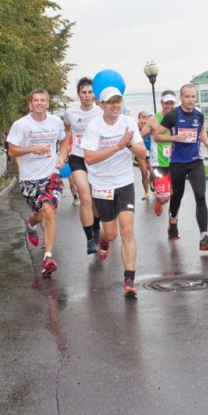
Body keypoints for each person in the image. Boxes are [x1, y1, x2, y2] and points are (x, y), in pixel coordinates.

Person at [81, 85, 148, 296]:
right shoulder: (94, 127)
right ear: (101, 105)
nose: (115, 105)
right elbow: (89, 158)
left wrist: (128, 145)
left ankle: (129, 279)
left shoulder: (128, 123)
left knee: (127, 230)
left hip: (125, 182)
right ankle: (102, 238)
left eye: (118, 101)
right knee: (111, 234)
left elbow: (143, 152)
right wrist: (117, 147)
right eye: (110, 102)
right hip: (102, 185)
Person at [7, 88, 69, 277]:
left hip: (51, 175)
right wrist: (31, 148)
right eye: (36, 100)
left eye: (43, 100)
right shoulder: (21, 125)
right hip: (29, 178)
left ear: (48, 104)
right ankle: (30, 223)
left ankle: (48, 257)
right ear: (30, 104)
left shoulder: (56, 122)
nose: (39, 103)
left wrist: (61, 155)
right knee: (40, 214)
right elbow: (12, 151)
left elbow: (65, 139)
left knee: (49, 211)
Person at [152, 83, 208, 250]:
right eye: (187, 96)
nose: (190, 100)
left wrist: (207, 143)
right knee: (177, 196)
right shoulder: (173, 115)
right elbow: (157, 137)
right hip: (177, 163)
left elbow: (201, 131)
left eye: (193, 96)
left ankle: (204, 236)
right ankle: (173, 221)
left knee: (200, 195)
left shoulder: (199, 115)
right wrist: (175, 138)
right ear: (181, 98)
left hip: (195, 161)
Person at [63, 77, 103, 254]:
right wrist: (63, 151)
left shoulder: (101, 111)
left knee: (97, 200)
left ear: (94, 94)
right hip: (78, 158)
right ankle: (89, 240)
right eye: (83, 92)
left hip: (96, 159)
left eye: (90, 92)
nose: (87, 96)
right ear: (78, 94)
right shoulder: (71, 113)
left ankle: (96, 229)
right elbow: (66, 130)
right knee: (85, 198)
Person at [148, 90, 178, 216]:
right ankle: (159, 202)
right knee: (163, 198)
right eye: (166, 103)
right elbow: (140, 136)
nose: (169, 106)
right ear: (161, 103)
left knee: (174, 193)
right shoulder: (154, 120)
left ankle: (172, 225)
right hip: (158, 163)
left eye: (172, 103)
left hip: (176, 161)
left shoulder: (178, 117)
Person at [136, 110, 153, 200]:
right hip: (140, 151)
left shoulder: (150, 126)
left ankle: (152, 182)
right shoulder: (135, 127)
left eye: (146, 117)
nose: (144, 119)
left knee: (152, 170)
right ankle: (146, 193)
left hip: (149, 150)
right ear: (139, 118)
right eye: (143, 117)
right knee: (144, 172)